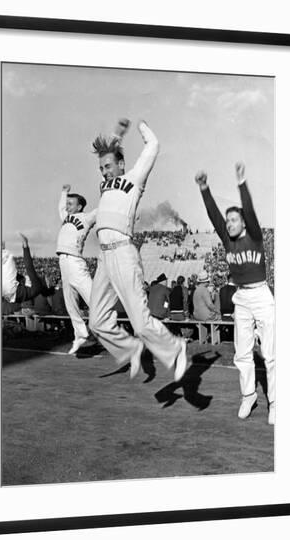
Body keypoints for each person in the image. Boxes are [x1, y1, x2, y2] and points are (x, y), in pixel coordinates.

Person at [88, 118, 187, 381]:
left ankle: (175, 347)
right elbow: (106, 151)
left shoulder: (134, 179)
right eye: (101, 168)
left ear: (121, 164)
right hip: (104, 259)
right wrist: (114, 137)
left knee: (141, 322)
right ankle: (130, 349)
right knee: (96, 321)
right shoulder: (104, 185)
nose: (104, 171)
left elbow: (152, 146)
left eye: (108, 166)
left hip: (122, 252)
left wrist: (142, 126)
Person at [195, 162, 275, 424]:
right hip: (242, 297)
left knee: (272, 353)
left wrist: (241, 184)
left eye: (233, 220)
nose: (228, 223)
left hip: (262, 295)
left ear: (243, 222)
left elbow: (249, 210)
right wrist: (204, 188)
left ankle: (275, 402)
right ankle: (248, 395)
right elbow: (213, 215)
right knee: (242, 353)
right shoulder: (226, 238)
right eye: (227, 221)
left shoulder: (254, 236)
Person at [56, 184, 97, 354]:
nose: (67, 206)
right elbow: (60, 206)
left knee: (94, 300)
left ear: (79, 206)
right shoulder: (66, 217)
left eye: (71, 203)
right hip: (63, 262)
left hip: (75, 262)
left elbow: (103, 207)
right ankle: (80, 334)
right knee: (70, 303)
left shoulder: (86, 217)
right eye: (67, 203)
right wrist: (64, 192)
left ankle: (114, 330)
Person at [2, 234, 43, 304]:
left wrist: (25, 246)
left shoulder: (37, 285)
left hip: (11, 290)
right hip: (9, 293)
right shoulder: (30, 289)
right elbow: (16, 276)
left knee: (8, 256)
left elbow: (29, 266)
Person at [192, 270, 221, 344]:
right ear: (206, 281)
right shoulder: (205, 290)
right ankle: (215, 339)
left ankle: (204, 339)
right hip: (205, 315)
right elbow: (210, 305)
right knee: (220, 317)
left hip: (196, 315)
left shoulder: (196, 290)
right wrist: (217, 311)